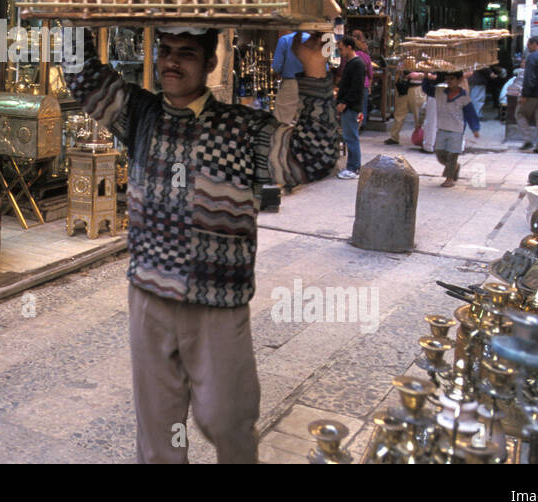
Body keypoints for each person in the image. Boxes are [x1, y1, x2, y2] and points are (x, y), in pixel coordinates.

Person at [69, 27, 338, 463]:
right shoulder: (139, 115)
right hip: (149, 298)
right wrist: (70, 11)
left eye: (187, 54)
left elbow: (316, 156)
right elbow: (80, 74)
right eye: (166, 51)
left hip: (217, 302)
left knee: (227, 420)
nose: (172, 62)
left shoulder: (243, 129)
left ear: (211, 63)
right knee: (159, 432)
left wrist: (313, 68)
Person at [423, 72, 481, 187]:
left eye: (452, 79)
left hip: (457, 129)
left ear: (459, 80)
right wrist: (426, 77)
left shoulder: (464, 96)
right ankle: (455, 167)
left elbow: (470, 113)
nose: (449, 81)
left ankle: (449, 179)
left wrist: (475, 129)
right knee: (439, 153)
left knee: (452, 155)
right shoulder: (439, 92)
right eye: (447, 79)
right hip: (442, 127)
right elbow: (426, 89)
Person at [335, 35, 366, 179]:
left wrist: (345, 102)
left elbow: (356, 88)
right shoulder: (351, 63)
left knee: (351, 137)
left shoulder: (357, 64)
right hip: (349, 105)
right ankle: (353, 167)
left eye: (341, 49)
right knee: (350, 136)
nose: (340, 52)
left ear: (349, 47)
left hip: (351, 106)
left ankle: (354, 168)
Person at [271, 29, 305, 125]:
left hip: (291, 83)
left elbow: (277, 66)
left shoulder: (285, 40)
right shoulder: (311, 40)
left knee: (282, 120)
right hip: (310, 84)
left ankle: (282, 138)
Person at [385, 66, 426, 146]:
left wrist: (420, 74)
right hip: (403, 88)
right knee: (399, 114)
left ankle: (422, 138)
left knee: (419, 115)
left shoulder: (424, 60)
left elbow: (433, 75)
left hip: (416, 88)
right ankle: (394, 137)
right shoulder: (404, 60)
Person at [350, 29, 374, 127]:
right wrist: (369, 86)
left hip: (353, 84)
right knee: (362, 106)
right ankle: (361, 124)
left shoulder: (350, 55)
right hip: (363, 84)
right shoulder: (365, 56)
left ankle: (354, 123)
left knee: (353, 105)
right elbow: (370, 73)